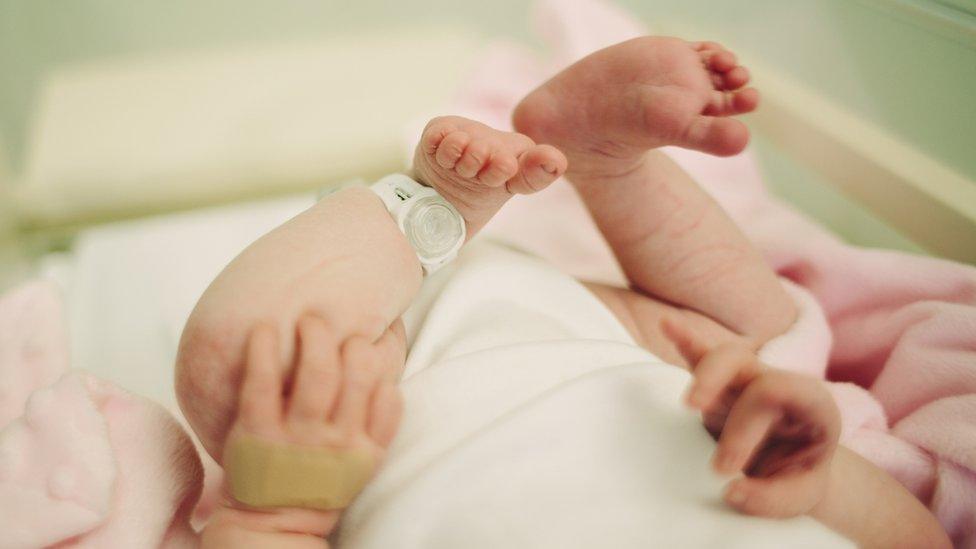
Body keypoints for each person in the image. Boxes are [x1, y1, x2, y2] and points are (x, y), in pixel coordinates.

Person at [181, 36, 951, 548]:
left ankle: (428, 216)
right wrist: (812, 467)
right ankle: (604, 161)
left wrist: (275, 511)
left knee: (240, 363)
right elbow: (919, 539)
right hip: (680, 393)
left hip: (372, 407)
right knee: (760, 327)